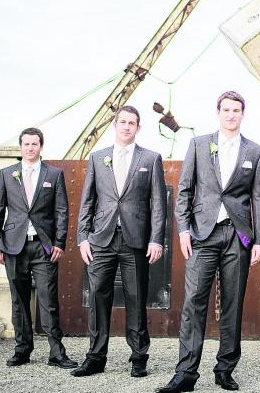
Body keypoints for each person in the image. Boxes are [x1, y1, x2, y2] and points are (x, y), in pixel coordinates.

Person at [157, 91, 260, 393]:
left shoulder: (255, 152)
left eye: (236, 110)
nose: (231, 115)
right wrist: (183, 231)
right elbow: (184, 190)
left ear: (242, 114)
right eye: (226, 110)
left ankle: (225, 369)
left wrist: (259, 241)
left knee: (233, 303)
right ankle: (186, 374)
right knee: (193, 302)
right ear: (218, 113)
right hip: (202, 235)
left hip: (238, 236)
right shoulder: (198, 145)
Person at [72, 106, 167, 378]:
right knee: (98, 297)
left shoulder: (151, 158)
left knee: (136, 299)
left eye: (132, 123)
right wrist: (83, 238)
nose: (127, 126)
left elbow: (158, 204)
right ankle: (95, 357)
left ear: (139, 127)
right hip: (101, 240)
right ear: (115, 125)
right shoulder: (98, 157)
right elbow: (87, 200)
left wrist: (156, 240)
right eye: (122, 122)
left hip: (135, 241)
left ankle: (138, 357)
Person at [0, 127, 78, 369]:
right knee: (19, 300)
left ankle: (57, 353)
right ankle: (22, 349)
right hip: (13, 246)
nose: (30, 148)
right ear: (21, 147)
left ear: (41, 146)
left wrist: (59, 242)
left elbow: (62, 211)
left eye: (34, 144)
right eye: (26, 144)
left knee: (49, 300)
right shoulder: (7, 174)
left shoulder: (54, 174)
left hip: (43, 247)